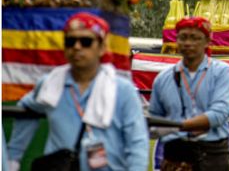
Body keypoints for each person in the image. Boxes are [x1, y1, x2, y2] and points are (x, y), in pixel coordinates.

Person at [7, 12, 149, 171]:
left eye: (86, 42)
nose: (77, 47)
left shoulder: (123, 90)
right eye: (70, 41)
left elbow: (137, 143)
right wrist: (13, 158)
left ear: (101, 47)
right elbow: (26, 109)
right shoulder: (50, 84)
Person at [149, 17, 229, 171]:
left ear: (207, 41)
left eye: (195, 38)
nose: (188, 43)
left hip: (212, 157)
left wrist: (179, 125)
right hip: (174, 157)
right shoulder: (163, 78)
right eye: (183, 37)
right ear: (176, 40)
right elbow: (155, 119)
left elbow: (220, 113)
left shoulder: (222, 72)